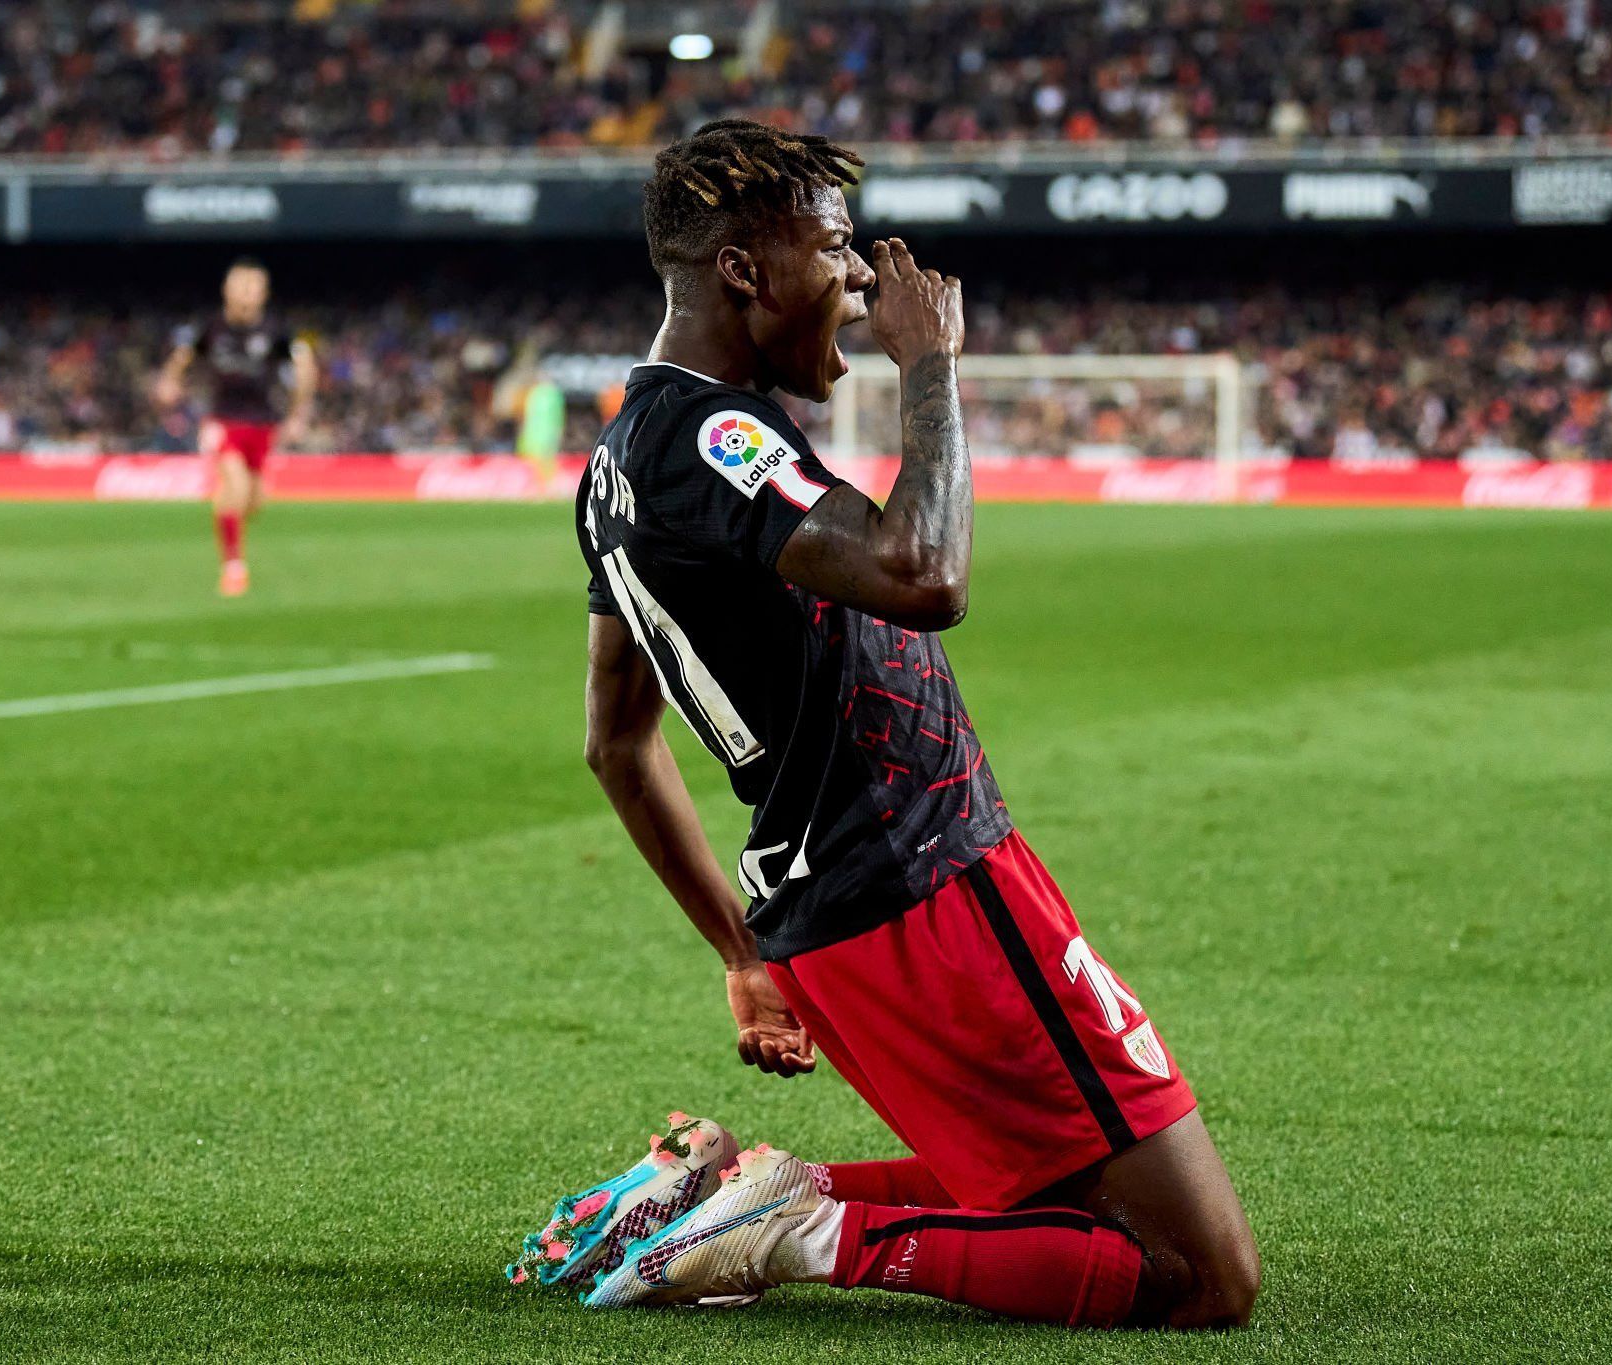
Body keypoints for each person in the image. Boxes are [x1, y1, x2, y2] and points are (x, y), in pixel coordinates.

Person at [516, 119, 1259, 1330]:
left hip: (838, 913)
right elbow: (926, 575)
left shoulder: (617, 461)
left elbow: (615, 740)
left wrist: (742, 955)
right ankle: (799, 1230)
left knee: (1050, 1187)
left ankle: (730, 1190)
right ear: (744, 273)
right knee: (1197, 1276)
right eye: (833, 247)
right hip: (922, 891)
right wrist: (930, 366)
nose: (862, 280)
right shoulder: (712, 432)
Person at [157, 259, 315, 597]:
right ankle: (233, 567)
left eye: (251, 287)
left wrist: (299, 412)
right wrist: (169, 381)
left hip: (263, 422)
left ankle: (225, 513)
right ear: (226, 291)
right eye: (238, 286)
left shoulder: (275, 331)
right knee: (236, 483)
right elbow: (183, 356)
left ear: (263, 294)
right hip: (223, 419)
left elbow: (304, 365)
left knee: (254, 502)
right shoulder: (211, 328)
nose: (244, 294)